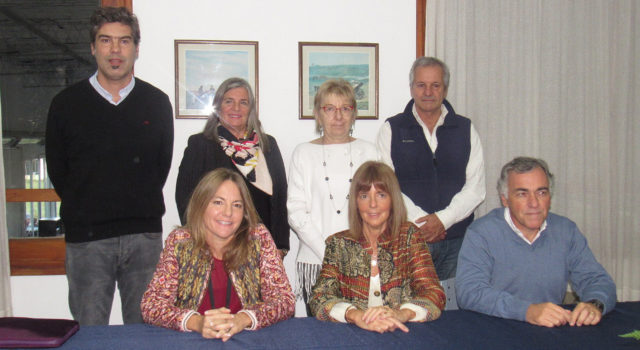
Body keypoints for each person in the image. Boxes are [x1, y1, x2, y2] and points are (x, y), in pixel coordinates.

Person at [45, 7, 173, 325]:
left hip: (143, 238)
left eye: (124, 41)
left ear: (136, 48)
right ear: (93, 47)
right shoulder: (65, 105)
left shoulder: (156, 103)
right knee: (89, 333)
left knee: (146, 331)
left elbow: (161, 166)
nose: (115, 51)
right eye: (106, 41)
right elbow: (58, 171)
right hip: (87, 240)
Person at [456, 157, 616, 327]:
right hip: (495, 330)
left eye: (541, 192)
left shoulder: (566, 231)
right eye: (522, 194)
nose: (534, 203)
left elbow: (597, 280)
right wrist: (527, 311)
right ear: (505, 199)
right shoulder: (482, 232)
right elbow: (470, 292)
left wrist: (595, 304)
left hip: (550, 331)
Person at [141, 168, 295, 341]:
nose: (228, 213)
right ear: (201, 204)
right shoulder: (179, 242)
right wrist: (197, 322)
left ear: (244, 212)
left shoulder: (258, 238)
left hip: (247, 340)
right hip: (193, 341)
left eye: (236, 205)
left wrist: (243, 319)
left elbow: (284, 300)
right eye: (218, 202)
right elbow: (151, 305)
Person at [376, 57, 485, 284]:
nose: (428, 92)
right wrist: (423, 224)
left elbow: (476, 188)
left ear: (444, 89)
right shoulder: (392, 129)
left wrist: (442, 220)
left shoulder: (465, 129)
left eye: (435, 85)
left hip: (457, 240)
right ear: (411, 88)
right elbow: (387, 186)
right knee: (412, 309)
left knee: (455, 311)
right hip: (408, 240)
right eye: (421, 85)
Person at [310, 161, 445, 333]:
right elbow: (319, 298)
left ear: (393, 200)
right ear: (356, 202)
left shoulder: (410, 236)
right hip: (352, 336)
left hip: (404, 334)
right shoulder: (338, 243)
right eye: (364, 196)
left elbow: (434, 293)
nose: (372, 204)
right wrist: (356, 316)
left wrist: (401, 314)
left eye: (381, 195)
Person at [287, 79, 378, 315]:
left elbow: (383, 206)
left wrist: (356, 255)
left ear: (354, 114)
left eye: (345, 108)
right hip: (316, 263)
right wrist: (332, 255)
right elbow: (296, 212)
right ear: (318, 114)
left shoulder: (370, 151)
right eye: (329, 108)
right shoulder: (303, 153)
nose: (338, 116)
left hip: (363, 262)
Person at [176, 77, 289, 257]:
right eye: (229, 101)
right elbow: (186, 198)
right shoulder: (200, 144)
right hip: (214, 247)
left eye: (243, 102)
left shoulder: (268, 145)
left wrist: (280, 245)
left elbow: (281, 196)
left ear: (251, 109)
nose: (236, 108)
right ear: (218, 106)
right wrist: (200, 242)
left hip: (262, 248)